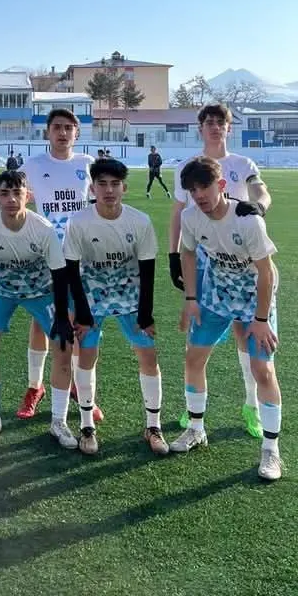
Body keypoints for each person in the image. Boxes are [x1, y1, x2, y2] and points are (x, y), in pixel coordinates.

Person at [169, 157, 282, 481]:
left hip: (255, 297)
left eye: (203, 187)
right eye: (192, 190)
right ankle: (196, 428)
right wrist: (191, 299)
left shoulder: (247, 221)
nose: (198, 195)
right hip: (217, 296)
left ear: (220, 185)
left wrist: (260, 319)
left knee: (263, 370)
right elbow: (187, 253)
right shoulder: (190, 217)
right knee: (193, 358)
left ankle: (271, 450)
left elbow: (265, 273)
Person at [168, 103, 273, 437]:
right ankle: (194, 410)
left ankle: (251, 404)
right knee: (197, 330)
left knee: (245, 333)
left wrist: (258, 207)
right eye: (208, 122)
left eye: (220, 122)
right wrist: (173, 254)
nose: (214, 126)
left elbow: (260, 190)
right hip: (204, 258)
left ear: (229, 127)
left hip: (242, 255)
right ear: (200, 128)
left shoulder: (243, 164)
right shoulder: (186, 167)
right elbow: (179, 211)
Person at [60, 158, 168, 456]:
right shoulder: (78, 221)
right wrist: (82, 313)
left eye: (115, 184)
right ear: (92, 188)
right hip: (91, 298)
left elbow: (147, 269)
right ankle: (87, 427)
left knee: (148, 356)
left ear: (124, 188)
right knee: (87, 356)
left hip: (130, 297)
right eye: (102, 184)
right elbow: (72, 269)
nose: (109, 190)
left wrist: (145, 313)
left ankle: (153, 426)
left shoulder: (139, 221)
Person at [0, 171, 77, 447]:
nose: (11, 199)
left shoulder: (42, 228)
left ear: (27, 196)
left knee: (64, 344)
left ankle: (59, 421)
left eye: (17, 193)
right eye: (4, 193)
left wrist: (62, 316)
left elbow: (59, 272)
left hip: (42, 291)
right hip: (2, 291)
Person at [16, 109, 103, 422]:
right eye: (57, 127)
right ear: (48, 132)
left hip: (80, 255)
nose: (63, 133)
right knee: (41, 320)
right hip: (44, 255)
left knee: (78, 319)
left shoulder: (87, 164)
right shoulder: (33, 165)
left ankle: (80, 388)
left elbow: (106, 197)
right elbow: (14, 198)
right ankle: (34, 387)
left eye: (68, 128)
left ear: (76, 133)